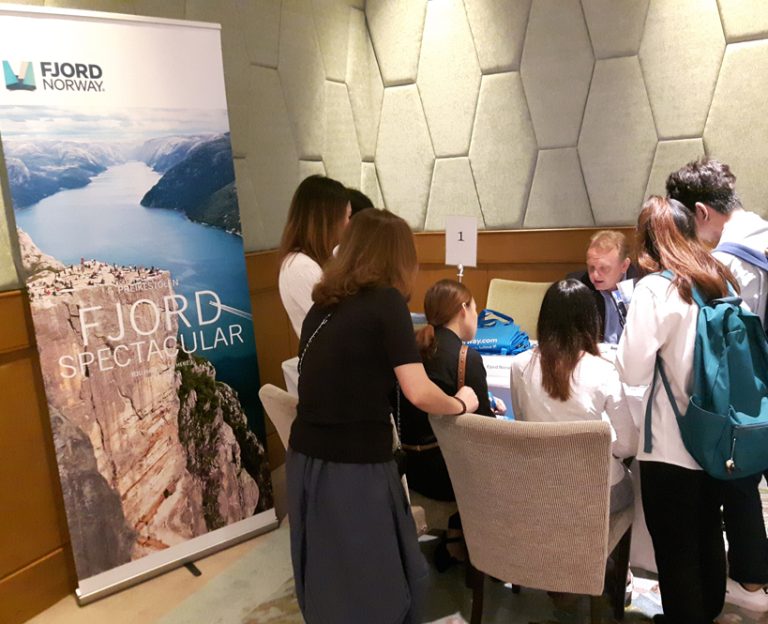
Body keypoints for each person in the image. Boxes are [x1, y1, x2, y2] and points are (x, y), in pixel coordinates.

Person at [286, 209, 479, 624]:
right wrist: (462, 402)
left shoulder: (322, 307)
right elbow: (418, 391)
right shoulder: (385, 302)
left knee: (333, 580)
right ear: (398, 257)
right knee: (376, 585)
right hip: (354, 468)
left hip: (305, 462)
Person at [617, 196, 738, 623]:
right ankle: (709, 611)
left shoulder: (655, 288)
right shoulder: (718, 279)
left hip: (671, 442)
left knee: (676, 550)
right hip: (719, 434)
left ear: (647, 241)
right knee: (708, 531)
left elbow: (632, 369)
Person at [667, 157, 768, 613]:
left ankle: (750, 580)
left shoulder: (725, 261)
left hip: (749, 392)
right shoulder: (762, 233)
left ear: (702, 213)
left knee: (738, 476)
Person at [398, 279, 505, 570]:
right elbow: (485, 430)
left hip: (409, 468)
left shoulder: (411, 349)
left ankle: (455, 537)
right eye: (475, 309)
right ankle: (491, 551)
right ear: (462, 310)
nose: (476, 316)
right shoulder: (466, 358)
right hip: (446, 476)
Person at [510, 279, 636, 513]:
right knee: (636, 480)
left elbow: (522, 421)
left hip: (540, 487)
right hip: (595, 490)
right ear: (590, 319)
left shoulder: (520, 365)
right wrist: (604, 449)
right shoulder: (603, 370)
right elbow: (629, 443)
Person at [278, 175, 351, 338]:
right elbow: (340, 324)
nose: (349, 224)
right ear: (327, 220)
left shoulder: (324, 258)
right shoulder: (300, 266)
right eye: (346, 216)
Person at [569, 230, 638, 344]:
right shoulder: (577, 287)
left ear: (624, 265)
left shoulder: (643, 285)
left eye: (604, 268)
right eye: (591, 267)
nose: (595, 275)